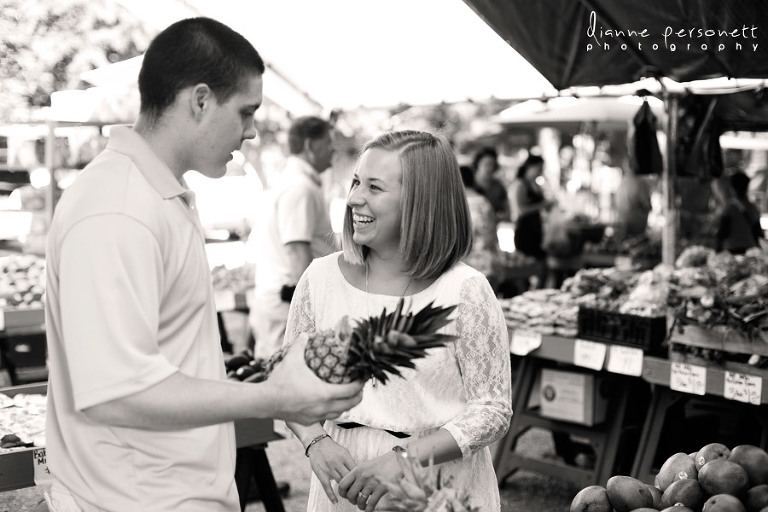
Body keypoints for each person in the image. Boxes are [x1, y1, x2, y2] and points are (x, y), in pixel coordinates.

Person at [43, 18, 363, 512]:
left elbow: (162, 362)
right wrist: (276, 398)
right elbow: (114, 394)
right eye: (246, 112)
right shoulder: (118, 208)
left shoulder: (156, 193)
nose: (253, 131)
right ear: (199, 100)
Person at [283, 131, 512, 511]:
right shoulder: (318, 280)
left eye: (375, 187)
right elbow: (290, 385)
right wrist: (316, 443)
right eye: (356, 181)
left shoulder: (465, 291)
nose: (355, 197)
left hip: (437, 483)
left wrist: (405, 459)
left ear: (421, 203)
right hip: (344, 487)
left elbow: (492, 409)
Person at [249, 115, 337, 360]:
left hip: (284, 301)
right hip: (287, 303)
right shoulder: (300, 187)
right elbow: (297, 250)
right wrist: (316, 309)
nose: (333, 149)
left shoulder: (296, 181)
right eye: (329, 142)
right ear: (310, 145)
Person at [460, 164, 501, 287]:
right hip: (487, 261)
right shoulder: (483, 201)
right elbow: (491, 232)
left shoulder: (457, 204)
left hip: (468, 264)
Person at [509, 153, 552, 260]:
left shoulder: (535, 185)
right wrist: (542, 205)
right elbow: (520, 210)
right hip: (524, 231)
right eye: (539, 168)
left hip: (536, 230)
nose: (540, 171)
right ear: (530, 167)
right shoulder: (519, 185)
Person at [714, 171, 764, 254]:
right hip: (749, 248)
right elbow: (757, 230)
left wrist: (717, 250)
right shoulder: (752, 207)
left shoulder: (729, 207)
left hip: (731, 248)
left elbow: (723, 231)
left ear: (732, 187)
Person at [615, 163, 652, 241]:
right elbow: (647, 205)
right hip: (636, 226)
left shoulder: (622, 183)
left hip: (623, 225)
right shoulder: (640, 182)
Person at [472, 146, 510, 222]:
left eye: (492, 164)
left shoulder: (498, 187)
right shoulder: (469, 184)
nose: (490, 168)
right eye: (486, 164)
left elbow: (507, 212)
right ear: (477, 164)